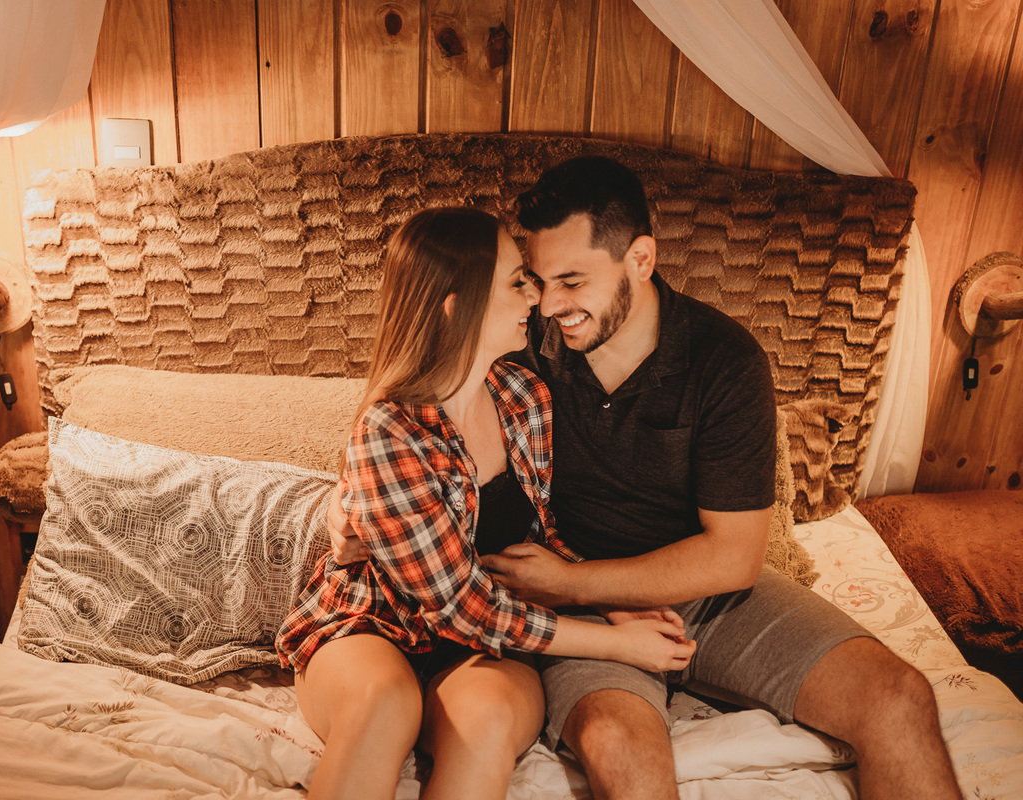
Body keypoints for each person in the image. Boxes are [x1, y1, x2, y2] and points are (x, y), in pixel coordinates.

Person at [331, 159, 962, 800]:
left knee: (899, 696)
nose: (549, 305)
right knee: (622, 748)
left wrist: (572, 582)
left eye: (572, 281)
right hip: (576, 612)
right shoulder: (521, 347)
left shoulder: (723, 360)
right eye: (536, 280)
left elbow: (735, 558)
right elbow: (416, 398)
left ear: (641, 257)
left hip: (697, 593)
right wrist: (348, 499)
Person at [275, 206, 696, 800]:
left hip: (481, 650)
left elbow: (538, 535)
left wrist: (613, 602)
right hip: (375, 626)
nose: (536, 295)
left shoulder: (522, 398)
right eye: (516, 281)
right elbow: (466, 607)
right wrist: (616, 642)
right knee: (383, 704)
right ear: (456, 306)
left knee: (489, 719)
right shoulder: (390, 431)